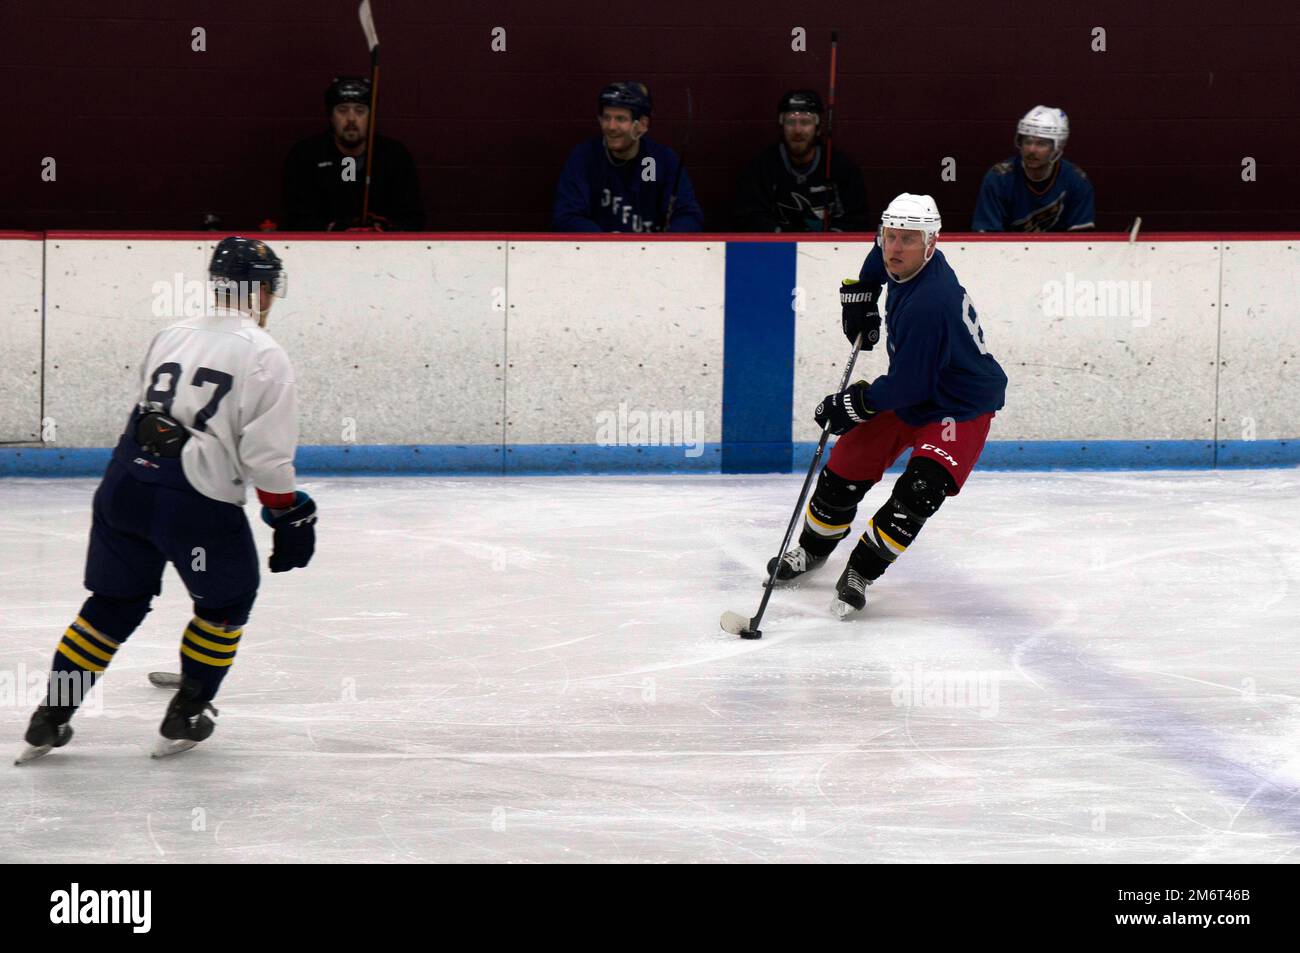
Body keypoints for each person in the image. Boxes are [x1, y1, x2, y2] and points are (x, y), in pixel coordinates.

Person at [17, 237, 317, 763]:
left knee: (111, 606)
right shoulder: (265, 355)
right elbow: (267, 459)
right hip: (195, 500)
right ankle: (190, 709)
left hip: (125, 484)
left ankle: (50, 716)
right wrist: (287, 511)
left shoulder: (172, 333)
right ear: (265, 291)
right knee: (225, 603)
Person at [769, 194, 1008, 617]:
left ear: (931, 244)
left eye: (907, 240)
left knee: (920, 491)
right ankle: (811, 550)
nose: (895, 248)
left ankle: (861, 570)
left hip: (959, 404)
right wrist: (863, 291)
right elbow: (876, 263)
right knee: (843, 473)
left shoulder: (931, 302)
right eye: (889, 236)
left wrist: (854, 403)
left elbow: (910, 386)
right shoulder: (897, 255)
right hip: (909, 389)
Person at [552, 81, 703, 232]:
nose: (611, 127)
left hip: (652, 253)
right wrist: (607, 246)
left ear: (642, 125)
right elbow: (567, 216)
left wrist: (661, 247)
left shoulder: (658, 160)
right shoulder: (585, 157)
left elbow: (688, 215)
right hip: (598, 253)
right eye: (606, 117)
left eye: (620, 119)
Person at [282, 76, 424, 230]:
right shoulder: (306, 155)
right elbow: (294, 219)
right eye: (342, 110)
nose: (351, 118)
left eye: (360, 110)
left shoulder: (394, 155)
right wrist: (331, 229)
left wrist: (387, 227)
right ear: (330, 115)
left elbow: (414, 219)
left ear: (372, 116)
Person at [733, 89, 870, 231]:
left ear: (818, 128)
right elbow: (750, 217)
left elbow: (856, 218)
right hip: (778, 251)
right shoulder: (761, 167)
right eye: (791, 122)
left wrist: (828, 244)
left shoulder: (841, 167)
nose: (797, 130)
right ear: (781, 127)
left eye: (805, 122)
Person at [972, 105, 1095, 232]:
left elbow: (1081, 241)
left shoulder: (1076, 181)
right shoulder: (999, 178)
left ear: (1057, 147)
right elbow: (987, 237)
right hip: (1008, 251)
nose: (1032, 150)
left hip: (1060, 251)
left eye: (1041, 144)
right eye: (1027, 141)